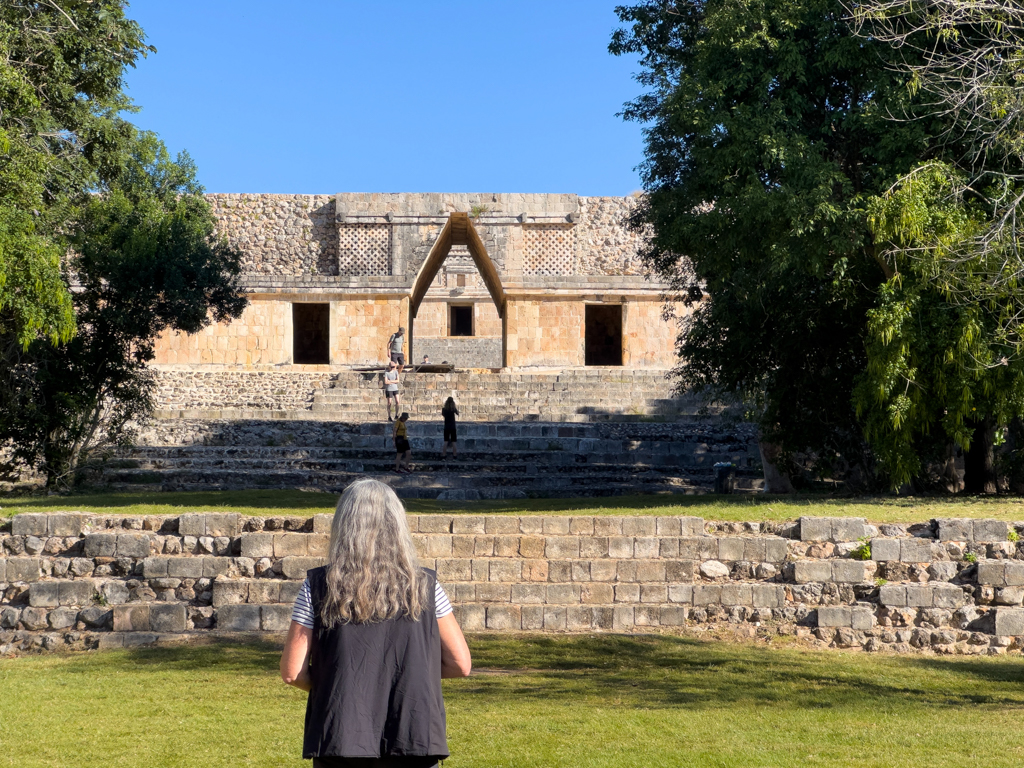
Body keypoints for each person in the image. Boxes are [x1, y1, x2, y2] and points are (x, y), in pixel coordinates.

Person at [280, 479, 472, 768]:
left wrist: (344, 687)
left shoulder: (317, 586)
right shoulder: (428, 586)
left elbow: (292, 672)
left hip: (342, 737)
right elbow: (460, 664)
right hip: (413, 735)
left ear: (343, 523)